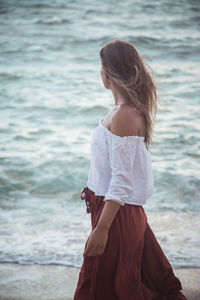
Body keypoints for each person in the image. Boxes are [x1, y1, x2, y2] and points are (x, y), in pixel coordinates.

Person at [73, 40, 187, 300]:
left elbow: (121, 182)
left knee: (103, 289)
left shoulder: (124, 115)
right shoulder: (124, 112)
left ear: (107, 74)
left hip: (117, 217)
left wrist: (102, 229)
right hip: (119, 214)